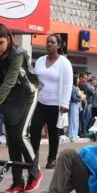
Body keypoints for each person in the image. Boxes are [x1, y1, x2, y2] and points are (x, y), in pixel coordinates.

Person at [0, 23, 40, 193]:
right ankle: (17, 182)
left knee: (20, 135)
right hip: (8, 99)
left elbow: (9, 82)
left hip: (26, 95)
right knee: (11, 139)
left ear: (8, 39)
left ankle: (35, 172)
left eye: (0, 42)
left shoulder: (17, 54)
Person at [30, 33, 73, 169]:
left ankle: (52, 158)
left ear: (59, 45)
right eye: (47, 42)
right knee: (35, 129)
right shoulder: (40, 61)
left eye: (52, 42)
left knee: (54, 134)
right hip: (40, 102)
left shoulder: (64, 63)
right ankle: (33, 157)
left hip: (56, 104)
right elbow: (35, 79)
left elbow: (68, 84)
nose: (49, 44)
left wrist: (65, 104)